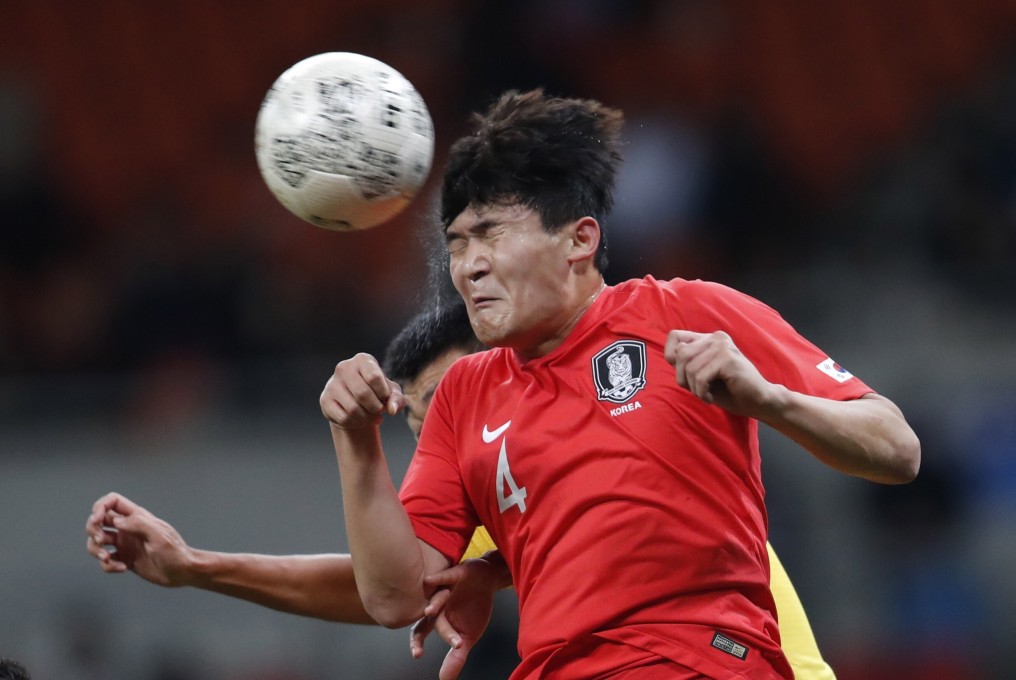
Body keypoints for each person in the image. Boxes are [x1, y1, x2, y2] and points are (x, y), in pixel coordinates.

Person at [319, 89, 920, 680]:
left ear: (580, 239)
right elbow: (397, 599)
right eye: (458, 243)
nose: (469, 265)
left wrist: (768, 398)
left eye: (492, 233)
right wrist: (356, 440)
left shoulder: (685, 312)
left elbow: (897, 449)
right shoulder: (460, 395)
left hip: (697, 663)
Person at [87, 299, 839, 679]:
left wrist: (200, 570)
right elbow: (391, 590)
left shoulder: (611, 428)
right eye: (423, 423)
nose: (446, 435)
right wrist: (195, 567)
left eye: (456, 400)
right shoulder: (503, 497)